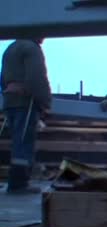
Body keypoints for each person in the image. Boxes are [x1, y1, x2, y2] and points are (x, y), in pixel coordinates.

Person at [1, 38, 51, 194]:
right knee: (24, 142)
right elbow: (36, 79)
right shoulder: (32, 48)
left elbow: (3, 76)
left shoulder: (11, 47)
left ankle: (16, 181)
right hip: (26, 102)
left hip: (10, 101)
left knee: (18, 140)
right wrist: (45, 101)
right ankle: (19, 184)